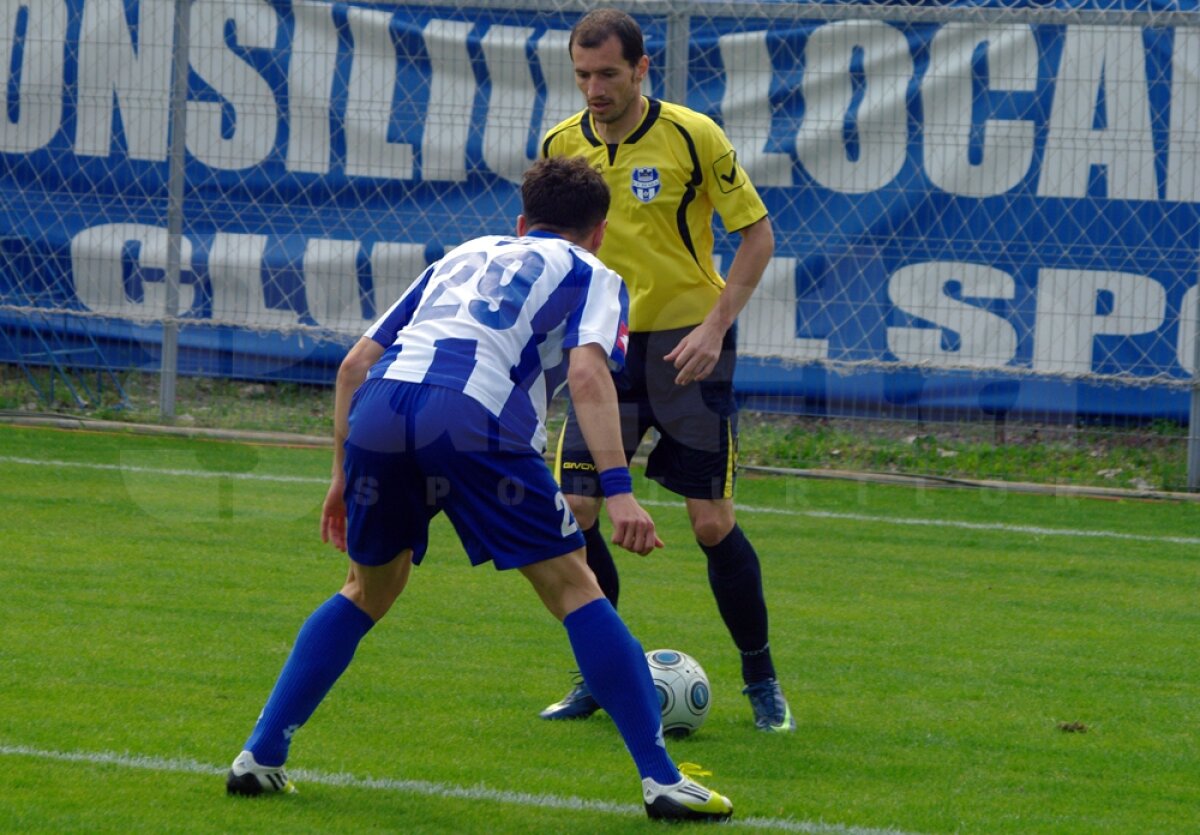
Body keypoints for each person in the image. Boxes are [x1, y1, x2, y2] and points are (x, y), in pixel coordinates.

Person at [222, 157, 733, 822]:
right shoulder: (594, 272)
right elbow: (586, 375)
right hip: (471, 417)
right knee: (575, 585)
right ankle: (663, 779)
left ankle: (259, 756)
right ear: (600, 232)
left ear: (521, 223)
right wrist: (619, 489)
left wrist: (340, 476)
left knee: (367, 589)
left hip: (379, 410)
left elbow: (354, 364)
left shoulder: (461, 254)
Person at [538, 8, 794, 733]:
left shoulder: (692, 134)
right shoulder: (561, 143)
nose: (594, 89)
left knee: (711, 522)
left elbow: (758, 236)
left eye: (608, 74)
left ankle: (762, 679)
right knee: (576, 513)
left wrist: (717, 326)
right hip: (603, 350)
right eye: (583, 75)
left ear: (641, 69)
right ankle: (600, 672)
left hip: (689, 347)